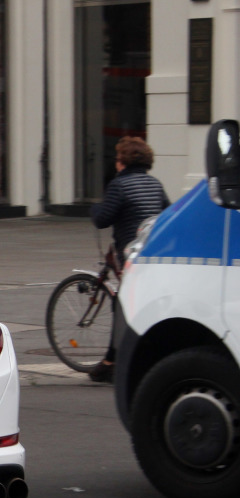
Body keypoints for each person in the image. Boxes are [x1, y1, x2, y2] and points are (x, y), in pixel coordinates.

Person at [88, 135, 169, 381]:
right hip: (154, 250)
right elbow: (167, 212)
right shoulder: (154, 184)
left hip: (131, 253)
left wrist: (94, 209)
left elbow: (103, 219)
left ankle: (112, 362)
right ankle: (115, 359)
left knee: (123, 304)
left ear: (122, 161)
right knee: (128, 303)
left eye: (118, 158)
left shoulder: (119, 185)